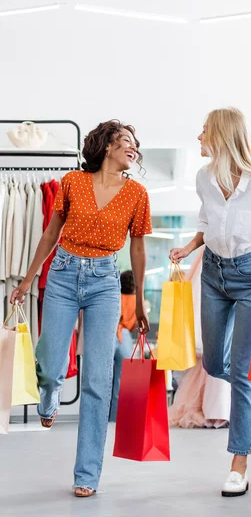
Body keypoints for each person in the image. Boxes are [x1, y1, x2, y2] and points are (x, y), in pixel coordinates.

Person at [11, 120, 152, 497]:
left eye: (135, 145)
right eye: (126, 141)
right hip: (62, 273)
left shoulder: (137, 193)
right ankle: (50, 393)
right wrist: (27, 280)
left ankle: (87, 473)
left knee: (97, 379)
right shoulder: (73, 181)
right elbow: (50, 232)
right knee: (52, 363)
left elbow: (137, 248)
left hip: (105, 282)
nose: (133, 148)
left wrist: (137, 302)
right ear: (107, 146)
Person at [170, 107, 251, 498]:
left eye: (204, 131)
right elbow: (206, 223)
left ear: (221, 136)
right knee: (211, 362)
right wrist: (188, 247)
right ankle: (248, 392)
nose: (199, 137)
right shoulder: (204, 177)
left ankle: (238, 463)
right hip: (212, 274)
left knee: (242, 372)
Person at [109, 270, 137, 423]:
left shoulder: (114, 297)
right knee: (121, 381)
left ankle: (100, 417)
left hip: (109, 334)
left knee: (104, 378)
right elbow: (134, 324)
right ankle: (115, 418)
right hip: (125, 337)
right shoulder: (136, 300)